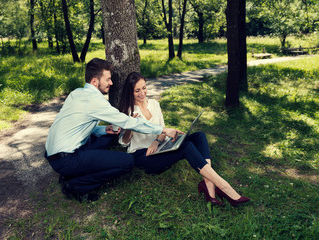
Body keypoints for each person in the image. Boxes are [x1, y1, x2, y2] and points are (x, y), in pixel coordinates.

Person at [44, 58, 183, 202]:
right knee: (127, 161)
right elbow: (129, 122)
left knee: (109, 135)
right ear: (94, 82)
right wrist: (163, 130)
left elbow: (78, 126)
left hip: (52, 154)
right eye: (108, 79)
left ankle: (70, 174)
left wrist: (104, 130)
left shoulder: (77, 93)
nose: (111, 83)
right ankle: (75, 185)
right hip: (66, 160)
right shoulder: (96, 102)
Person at [118, 72, 250, 206]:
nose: (142, 93)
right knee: (187, 147)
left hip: (159, 147)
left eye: (144, 88)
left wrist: (156, 141)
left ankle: (209, 185)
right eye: (137, 90)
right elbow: (124, 142)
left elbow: (163, 131)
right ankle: (224, 187)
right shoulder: (127, 111)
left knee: (199, 136)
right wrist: (130, 126)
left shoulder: (154, 104)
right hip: (143, 155)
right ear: (130, 92)